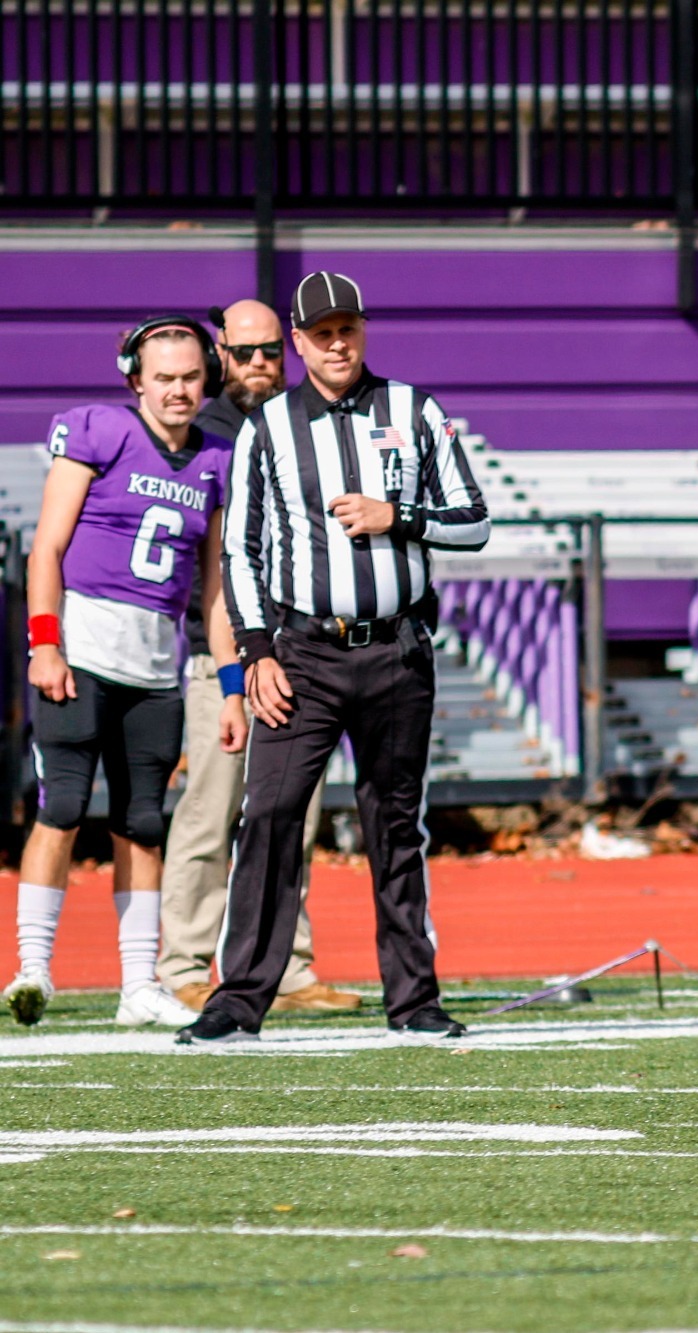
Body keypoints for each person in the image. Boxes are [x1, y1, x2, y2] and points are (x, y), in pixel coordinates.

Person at [177, 272, 490, 1046]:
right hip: (305, 653)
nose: (336, 341)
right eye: (320, 332)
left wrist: (399, 517)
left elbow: (475, 522)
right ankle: (240, 998)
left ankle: (414, 1000)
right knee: (271, 816)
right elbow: (241, 551)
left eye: (347, 326)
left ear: (363, 329)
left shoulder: (414, 409)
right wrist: (255, 652)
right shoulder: (269, 427)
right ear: (298, 341)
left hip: (396, 649)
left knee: (394, 825)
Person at [3, 317, 241, 1028]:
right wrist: (44, 643)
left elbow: (217, 591)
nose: (177, 390)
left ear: (208, 379)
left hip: (155, 665)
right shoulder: (97, 432)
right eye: (163, 377)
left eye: (190, 377)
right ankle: (32, 968)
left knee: (142, 821)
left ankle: (139, 984)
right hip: (82, 649)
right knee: (64, 805)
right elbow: (46, 548)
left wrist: (230, 684)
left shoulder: (216, 460)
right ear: (135, 377)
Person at [155, 299, 358, 1016]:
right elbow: (212, 566)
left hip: (300, 650)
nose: (259, 364)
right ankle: (183, 963)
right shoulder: (209, 433)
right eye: (244, 352)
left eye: (271, 349)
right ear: (221, 355)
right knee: (211, 814)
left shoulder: (309, 420)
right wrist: (237, 664)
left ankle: (289, 967)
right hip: (230, 656)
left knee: (288, 820)